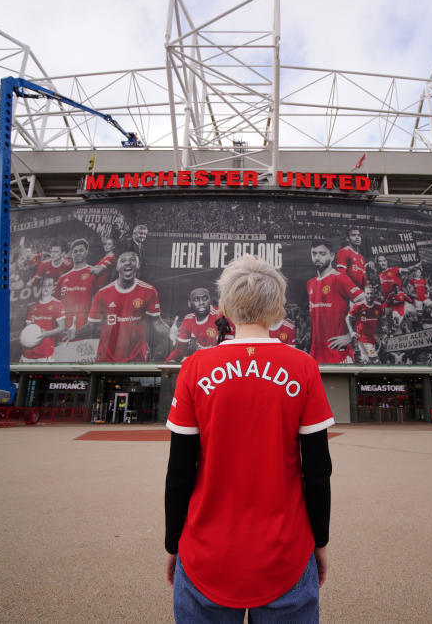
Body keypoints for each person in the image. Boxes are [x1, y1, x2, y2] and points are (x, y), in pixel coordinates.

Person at [165, 254, 333, 621]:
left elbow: (179, 473)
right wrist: (319, 540)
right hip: (286, 553)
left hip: (205, 554)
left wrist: (172, 543)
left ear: (222, 307)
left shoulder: (194, 368)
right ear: (278, 309)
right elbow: (318, 471)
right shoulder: (304, 366)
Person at [82, 250, 170, 362]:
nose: (128, 263)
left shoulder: (149, 291)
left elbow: (157, 323)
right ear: (117, 267)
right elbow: (91, 326)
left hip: (136, 360)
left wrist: (171, 331)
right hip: (106, 360)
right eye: (123, 260)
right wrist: (74, 333)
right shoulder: (102, 293)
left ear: (138, 265)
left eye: (132, 260)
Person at [307, 239, 365, 363]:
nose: (317, 257)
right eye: (314, 253)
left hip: (339, 354)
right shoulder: (311, 283)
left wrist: (351, 335)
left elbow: (365, 303)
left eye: (322, 254)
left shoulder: (340, 279)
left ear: (332, 256)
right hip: (316, 355)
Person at [166, 287, 226, 362]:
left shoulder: (219, 317)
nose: (201, 303)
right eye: (196, 299)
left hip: (219, 362)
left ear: (210, 301)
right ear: (189, 303)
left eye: (205, 299)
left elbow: (228, 349)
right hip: (203, 361)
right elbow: (180, 350)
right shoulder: (188, 320)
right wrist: (169, 362)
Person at [56, 238, 97, 336]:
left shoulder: (94, 272)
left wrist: (87, 328)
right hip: (63, 332)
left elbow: (98, 303)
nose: (78, 253)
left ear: (86, 252)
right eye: (75, 251)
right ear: (71, 254)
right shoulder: (62, 278)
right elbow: (56, 306)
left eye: (81, 250)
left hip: (85, 331)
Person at [21, 277, 66, 362]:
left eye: (49, 285)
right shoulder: (33, 306)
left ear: (53, 287)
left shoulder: (58, 304)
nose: (46, 288)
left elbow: (62, 327)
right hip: (28, 353)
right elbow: (28, 329)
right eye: (44, 285)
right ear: (40, 287)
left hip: (44, 353)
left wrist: (46, 333)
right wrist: (24, 338)